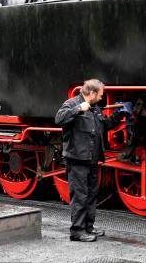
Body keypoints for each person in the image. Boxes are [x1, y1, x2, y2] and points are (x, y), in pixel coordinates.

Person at [55, 79, 132, 242]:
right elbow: (58, 119)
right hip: (77, 159)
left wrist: (120, 114)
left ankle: (88, 227)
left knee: (91, 194)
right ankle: (77, 231)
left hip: (92, 159)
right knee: (80, 195)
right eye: (101, 94)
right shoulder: (72, 103)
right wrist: (77, 109)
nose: (102, 98)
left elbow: (105, 126)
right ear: (92, 93)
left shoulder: (95, 108)